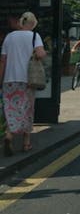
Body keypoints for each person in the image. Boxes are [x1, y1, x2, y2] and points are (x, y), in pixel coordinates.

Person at [0, 11, 45, 156]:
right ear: (32, 24)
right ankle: (25, 142)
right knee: (27, 110)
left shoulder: (9, 37)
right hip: (27, 80)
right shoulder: (34, 36)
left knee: (11, 109)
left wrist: (1, 79)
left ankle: (9, 135)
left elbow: (3, 60)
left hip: (9, 79)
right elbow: (40, 54)